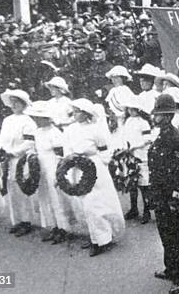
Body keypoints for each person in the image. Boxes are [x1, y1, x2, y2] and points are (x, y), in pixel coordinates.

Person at [64, 98, 125, 256]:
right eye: (74, 111)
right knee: (84, 204)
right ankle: (94, 237)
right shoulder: (70, 129)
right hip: (78, 167)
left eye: (78, 112)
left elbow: (104, 151)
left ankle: (103, 239)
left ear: (86, 114)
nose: (75, 114)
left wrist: (99, 165)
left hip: (94, 168)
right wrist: (71, 162)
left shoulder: (95, 130)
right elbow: (67, 148)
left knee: (95, 204)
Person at [149, 94, 179, 294]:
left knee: (174, 235)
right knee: (165, 233)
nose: (153, 117)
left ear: (166, 116)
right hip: (159, 193)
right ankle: (170, 268)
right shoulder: (161, 136)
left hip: (170, 195)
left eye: (157, 114)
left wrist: (177, 198)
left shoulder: (176, 139)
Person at [25, 101, 70, 244]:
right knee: (45, 197)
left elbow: (60, 154)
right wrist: (31, 156)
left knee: (56, 198)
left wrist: (58, 172)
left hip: (53, 167)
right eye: (34, 118)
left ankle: (63, 229)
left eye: (38, 118)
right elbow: (34, 148)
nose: (36, 120)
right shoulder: (37, 132)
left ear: (46, 118)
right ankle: (54, 226)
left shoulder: (54, 132)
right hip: (41, 167)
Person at [0, 89, 37, 237]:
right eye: (12, 102)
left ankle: (26, 221)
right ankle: (17, 220)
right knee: (10, 188)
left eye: (17, 102)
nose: (14, 105)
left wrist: (13, 152)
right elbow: (1, 139)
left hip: (20, 159)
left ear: (24, 104)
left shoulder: (28, 121)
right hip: (6, 159)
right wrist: (2, 151)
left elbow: (29, 142)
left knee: (21, 189)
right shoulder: (7, 120)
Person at [120, 96, 153, 224]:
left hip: (141, 155)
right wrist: (124, 147)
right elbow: (124, 136)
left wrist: (133, 146)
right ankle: (134, 209)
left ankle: (147, 210)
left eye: (134, 109)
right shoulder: (127, 122)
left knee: (144, 185)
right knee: (132, 184)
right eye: (129, 109)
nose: (131, 111)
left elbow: (147, 139)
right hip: (130, 156)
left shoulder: (143, 122)